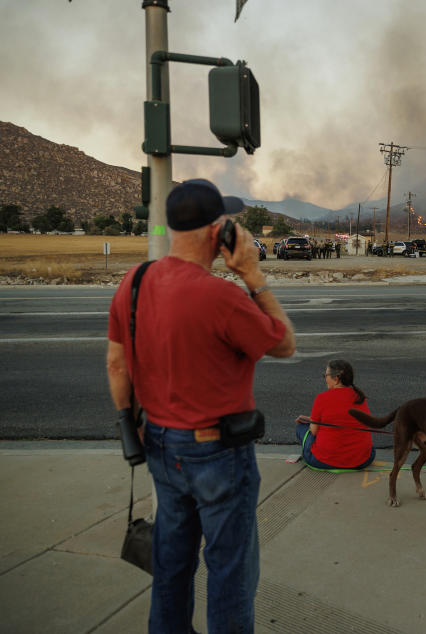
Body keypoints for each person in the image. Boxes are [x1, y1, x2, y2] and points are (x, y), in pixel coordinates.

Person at [106, 178, 296, 633]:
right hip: (218, 454)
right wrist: (251, 273)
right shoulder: (223, 297)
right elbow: (285, 343)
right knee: (230, 571)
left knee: (171, 567)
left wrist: (132, 423)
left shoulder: (134, 282)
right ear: (217, 232)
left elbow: (116, 365)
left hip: (160, 446)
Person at [296, 359, 376, 470]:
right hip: (362, 460)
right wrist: (312, 419)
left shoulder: (322, 398)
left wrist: (310, 421)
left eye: (326, 375)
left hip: (325, 460)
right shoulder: (360, 397)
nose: (325, 378)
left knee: (301, 427)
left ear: (336, 379)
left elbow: (314, 431)